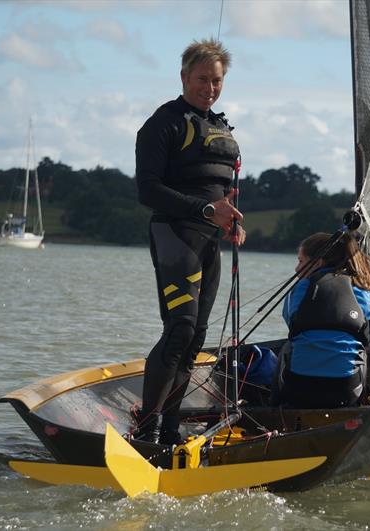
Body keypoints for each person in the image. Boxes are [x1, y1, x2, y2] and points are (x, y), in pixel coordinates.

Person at [132, 38, 245, 444]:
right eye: (202, 80)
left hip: (210, 242)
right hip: (174, 235)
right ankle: (145, 427)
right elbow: (147, 191)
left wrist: (230, 219)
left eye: (216, 82)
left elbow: (219, 192)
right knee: (179, 329)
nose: (209, 89)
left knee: (196, 336)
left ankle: (169, 426)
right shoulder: (164, 122)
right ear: (183, 77)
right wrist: (203, 212)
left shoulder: (220, 126)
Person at [274, 232, 370, 408]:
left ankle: (276, 406)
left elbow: (294, 327)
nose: (296, 269)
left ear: (317, 263)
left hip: (298, 390)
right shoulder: (365, 294)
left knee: (289, 345)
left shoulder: (295, 293)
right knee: (366, 348)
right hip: (347, 391)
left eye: (301, 261)